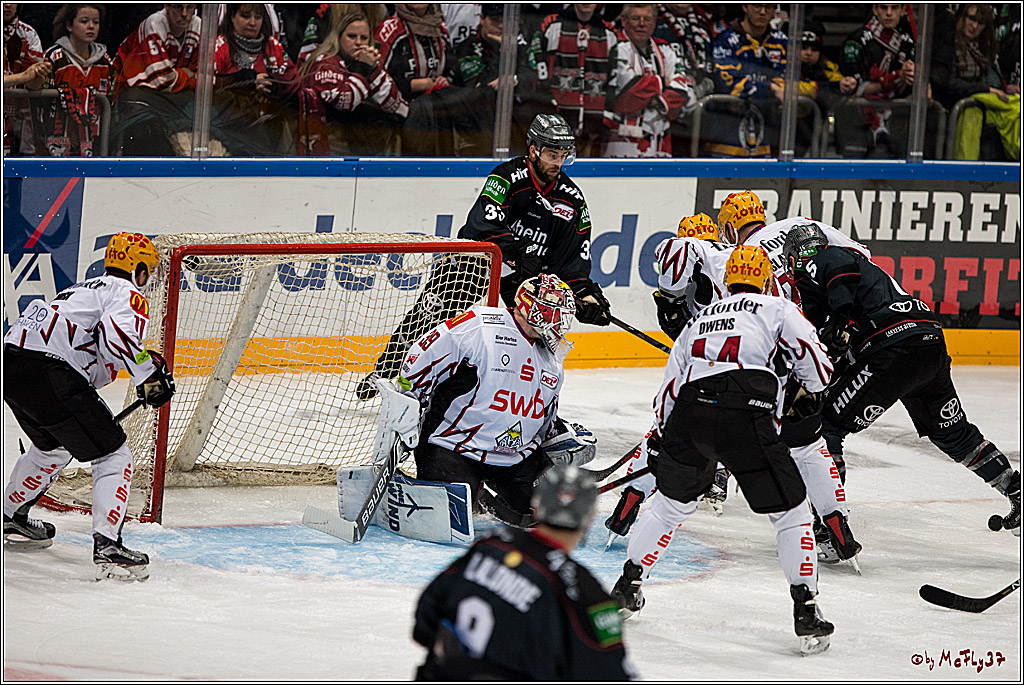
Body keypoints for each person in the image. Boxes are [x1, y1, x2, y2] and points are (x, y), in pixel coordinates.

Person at [610, 245, 836, 656]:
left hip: (690, 416)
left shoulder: (698, 322)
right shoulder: (777, 307)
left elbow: (668, 391)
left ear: (727, 280)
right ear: (766, 278)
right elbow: (818, 368)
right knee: (791, 514)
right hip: (746, 414)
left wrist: (665, 437)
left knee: (669, 507)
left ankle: (627, 586)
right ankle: (805, 609)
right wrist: (808, 392)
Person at [783, 223, 1021, 538]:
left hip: (891, 350)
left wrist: (840, 321)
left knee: (827, 424)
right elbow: (828, 344)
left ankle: (828, 526)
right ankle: (1015, 489)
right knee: (955, 435)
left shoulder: (825, 260)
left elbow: (837, 287)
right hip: (928, 343)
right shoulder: (834, 282)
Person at [356, 112, 611, 400]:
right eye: (552, 154)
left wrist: (583, 293)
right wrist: (518, 248)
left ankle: (527, 395)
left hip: (524, 277)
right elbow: (479, 225)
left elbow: (572, 256)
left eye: (564, 155)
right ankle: (386, 371)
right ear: (533, 150)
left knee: (539, 328)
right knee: (429, 317)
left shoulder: (573, 200)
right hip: (479, 262)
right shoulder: (506, 178)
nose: (558, 163)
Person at [3, 232, 176, 581]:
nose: (148, 279)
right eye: (148, 271)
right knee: (113, 454)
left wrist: (143, 370)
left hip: (12, 363)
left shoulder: (83, 289)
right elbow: (119, 336)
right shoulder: (126, 292)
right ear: (139, 269)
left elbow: (93, 347)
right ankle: (108, 547)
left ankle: (10, 518)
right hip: (50, 370)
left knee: (52, 447)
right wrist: (149, 376)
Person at [716, 190, 869, 564]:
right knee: (815, 438)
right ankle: (832, 523)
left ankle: (715, 480)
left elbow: (736, 316)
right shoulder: (800, 224)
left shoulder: (740, 256)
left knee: (742, 419)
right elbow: (861, 255)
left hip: (777, 349)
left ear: (732, 227)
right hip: (832, 333)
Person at [391, 273, 597, 526]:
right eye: (551, 313)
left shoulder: (553, 356)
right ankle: (470, 490)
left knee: (555, 515)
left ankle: (490, 492)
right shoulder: (481, 326)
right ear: (531, 307)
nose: (558, 324)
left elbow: (546, 411)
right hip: (456, 448)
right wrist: (405, 402)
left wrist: (558, 436)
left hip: (517, 457)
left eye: (561, 317)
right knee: (449, 519)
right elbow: (423, 353)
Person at [413, 464, 637, 680]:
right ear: (589, 518)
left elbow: (425, 619)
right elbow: (612, 673)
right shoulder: (586, 593)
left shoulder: (490, 546)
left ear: (537, 506)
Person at [298, 10, 409, 156]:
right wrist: (364, 70)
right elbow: (344, 103)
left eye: (364, 38)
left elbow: (397, 106)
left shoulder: (367, 62)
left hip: (361, 143)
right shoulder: (325, 62)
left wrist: (374, 70)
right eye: (351, 36)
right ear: (338, 38)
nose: (358, 43)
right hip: (327, 145)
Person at [604, 3, 699, 158]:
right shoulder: (614, 45)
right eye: (636, 18)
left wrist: (657, 99)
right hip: (622, 145)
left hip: (661, 143)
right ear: (624, 20)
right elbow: (627, 94)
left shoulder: (665, 49)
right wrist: (662, 82)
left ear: (654, 22)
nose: (642, 24)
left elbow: (686, 92)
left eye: (647, 19)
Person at [112, 4, 208, 156]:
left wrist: (176, 75)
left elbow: (207, 79)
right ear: (167, 6)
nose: (184, 14)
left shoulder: (199, 26)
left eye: (189, 8)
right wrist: (187, 75)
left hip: (165, 97)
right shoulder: (154, 24)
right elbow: (160, 80)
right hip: (126, 96)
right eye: (178, 7)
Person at [932, 4, 1019, 161]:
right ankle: (965, 171)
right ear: (962, 16)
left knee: (1017, 105)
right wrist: (986, 89)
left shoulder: (983, 49)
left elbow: (989, 76)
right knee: (974, 112)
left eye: (980, 23)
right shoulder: (949, 42)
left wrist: (1004, 87)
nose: (974, 26)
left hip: (980, 101)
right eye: (971, 18)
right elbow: (948, 83)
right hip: (956, 105)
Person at [528, 4, 618, 157]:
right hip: (554, 116)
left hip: (594, 121)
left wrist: (606, 117)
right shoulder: (550, 24)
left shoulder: (610, 32)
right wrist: (546, 102)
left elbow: (613, 78)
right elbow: (534, 61)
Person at [837, 4, 918, 158]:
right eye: (883, 7)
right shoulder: (856, 40)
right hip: (858, 121)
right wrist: (896, 77)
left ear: (902, 11)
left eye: (894, 8)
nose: (889, 13)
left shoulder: (908, 43)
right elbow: (855, 88)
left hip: (895, 122)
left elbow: (911, 84)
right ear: (874, 9)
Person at [707, 3, 787, 157]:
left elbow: (788, 79)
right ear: (745, 6)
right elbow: (726, 83)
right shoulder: (725, 40)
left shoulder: (781, 41)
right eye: (757, 6)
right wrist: (770, 89)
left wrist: (777, 88)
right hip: (726, 139)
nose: (763, 12)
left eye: (768, 7)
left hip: (766, 139)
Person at [36, 4, 116, 157]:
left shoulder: (105, 62)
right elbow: (41, 102)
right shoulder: (54, 58)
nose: (91, 26)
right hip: (57, 142)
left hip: (93, 143)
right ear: (69, 25)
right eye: (84, 21)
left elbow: (110, 101)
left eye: (96, 22)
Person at [3, 3, 46, 155]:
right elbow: (25, 77)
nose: (7, 4)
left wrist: (39, 75)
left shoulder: (29, 34)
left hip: (20, 122)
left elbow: (34, 85)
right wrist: (22, 77)